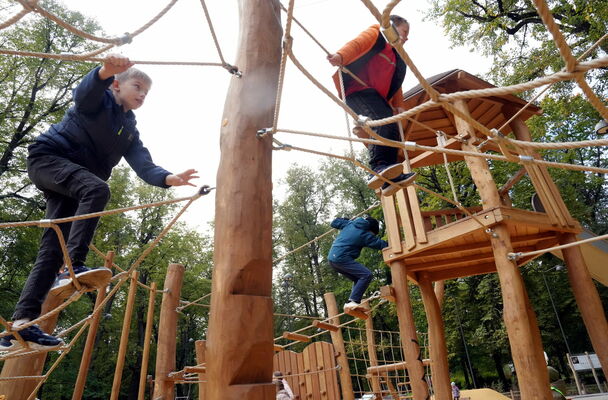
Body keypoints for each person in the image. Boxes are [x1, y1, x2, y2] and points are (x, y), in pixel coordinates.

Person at [0, 54, 198, 351]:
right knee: (97, 189)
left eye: (147, 91)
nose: (143, 94)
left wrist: (170, 178)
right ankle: (73, 267)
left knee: (53, 248)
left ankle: (20, 326)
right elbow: (84, 93)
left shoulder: (129, 129)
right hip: (50, 159)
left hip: (73, 182)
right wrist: (104, 71)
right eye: (138, 86)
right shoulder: (99, 101)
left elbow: (144, 164)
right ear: (117, 85)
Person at [328, 15, 416, 197]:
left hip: (377, 98)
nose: (407, 38)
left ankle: (389, 178)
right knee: (381, 121)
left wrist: (399, 105)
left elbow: (396, 83)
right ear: (392, 26)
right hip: (356, 90)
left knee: (393, 130)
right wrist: (341, 56)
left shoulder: (398, 58)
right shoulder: (377, 34)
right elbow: (357, 44)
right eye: (404, 31)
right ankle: (378, 167)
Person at [327, 216, 388, 310]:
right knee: (366, 275)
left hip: (332, 259)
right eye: (372, 234)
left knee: (358, 278)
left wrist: (347, 219)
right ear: (370, 229)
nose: (372, 236)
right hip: (341, 258)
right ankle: (353, 301)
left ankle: (350, 303)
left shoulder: (350, 224)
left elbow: (334, 222)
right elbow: (380, 244)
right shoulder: (364, 235)